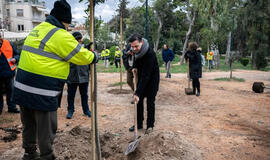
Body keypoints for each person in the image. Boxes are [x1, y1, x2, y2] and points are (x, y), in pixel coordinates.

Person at [13, 0, 98, 159]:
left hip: (22, 86)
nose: (68, 27)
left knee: (29, 122)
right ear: (64, 21)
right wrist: (94, 56)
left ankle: (29, 153)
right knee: (46, 127)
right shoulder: (59, 34)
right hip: (42, 89)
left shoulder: (38, 29)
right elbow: (80, 56)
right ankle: (47, 156)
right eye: (68, 24)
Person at [128, 33, 160, 134]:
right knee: (139, 103)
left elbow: (146, 75)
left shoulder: (150, 53)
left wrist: (137, 93)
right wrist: (134, 67)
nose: (134, 49)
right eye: (132, 47)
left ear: (141, 42)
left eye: (136, 46)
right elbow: (136, 60)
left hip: (151, 80)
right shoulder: (136, 52)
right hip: (141, 78)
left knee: (150, 103)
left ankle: (150, 126)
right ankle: (139, 124)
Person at [66, 32, 91, 119]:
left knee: (84, 94)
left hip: (83, 76)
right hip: (72, 76)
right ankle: (70, 110)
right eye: (78, 39)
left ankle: (86, 110)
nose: (80, 40)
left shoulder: (84, 49)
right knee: (71, 95)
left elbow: (89, 58)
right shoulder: (68, 49)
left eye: (80, 39)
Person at [0, 34, 20, 114]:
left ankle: (12, 107)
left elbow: (17, 54)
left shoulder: (9, 43)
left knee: (11, 91)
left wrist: (15, 59)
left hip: (9, 73)